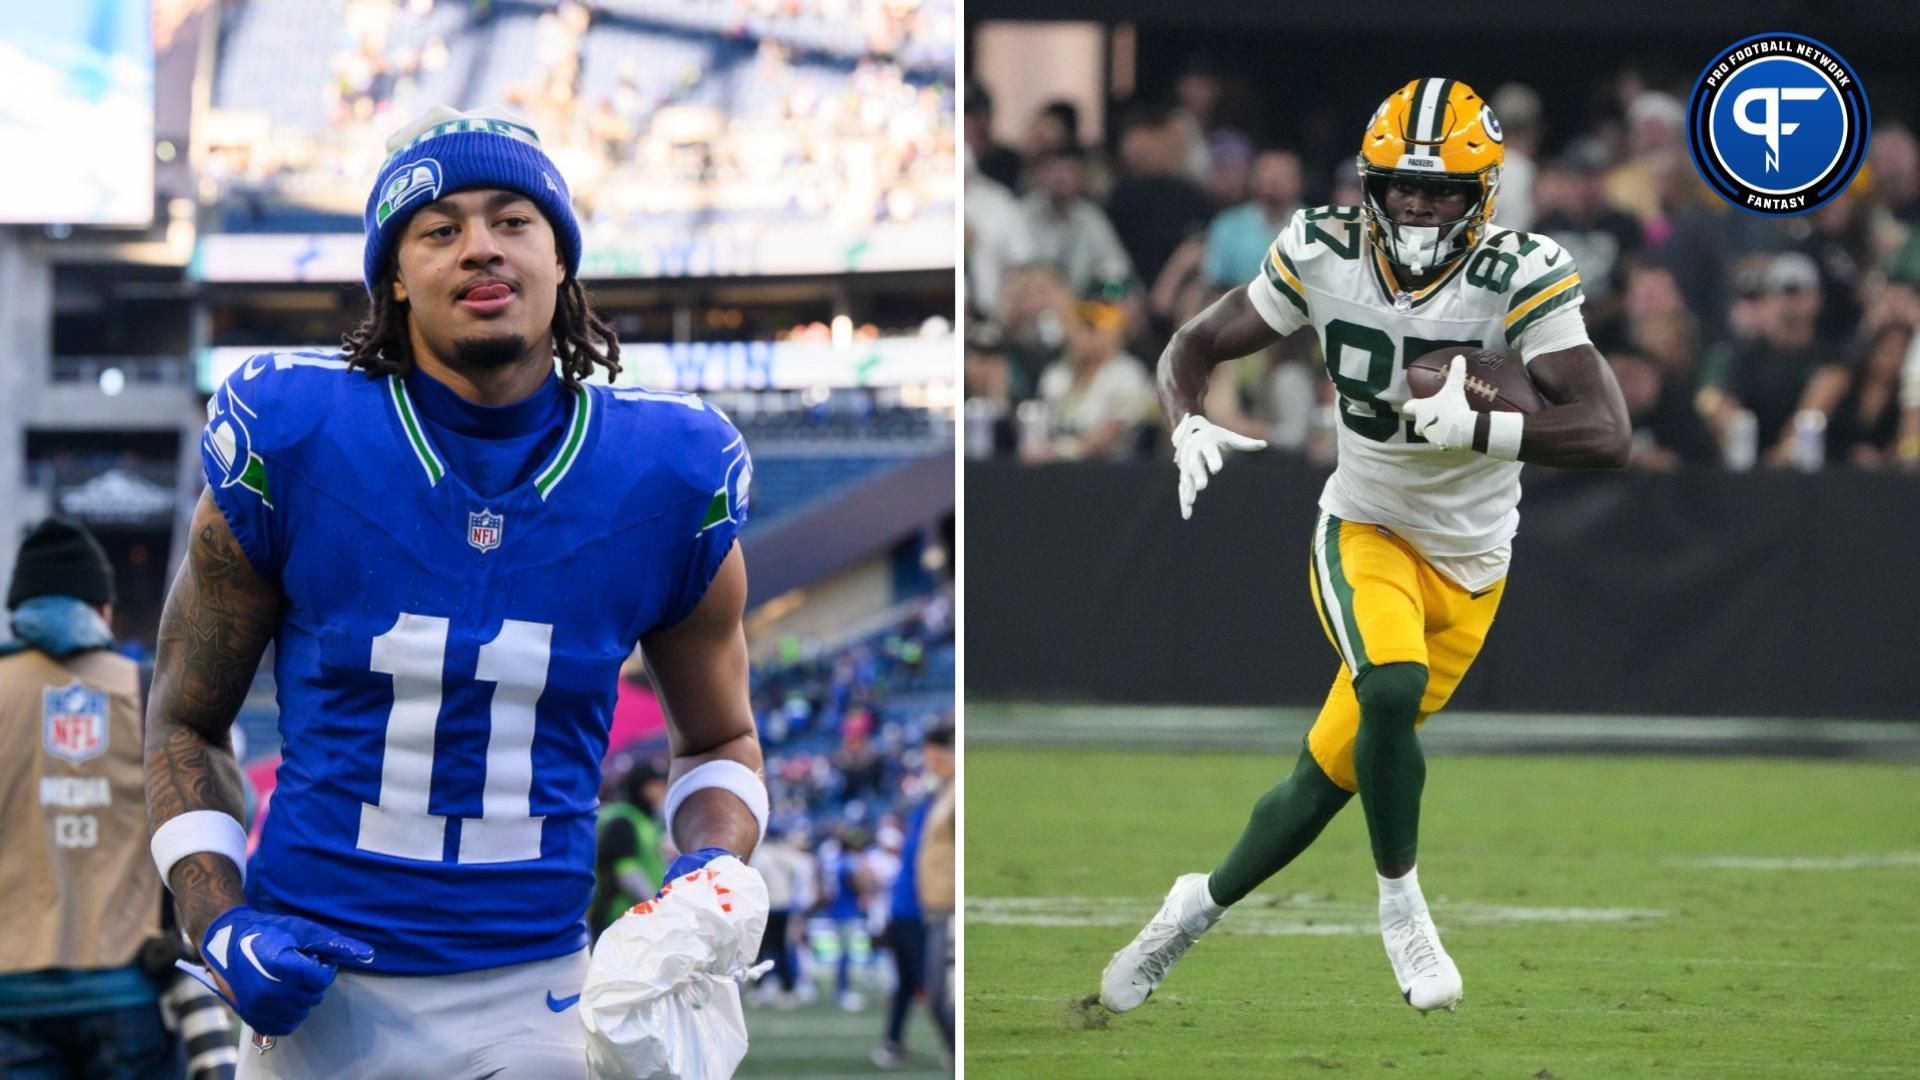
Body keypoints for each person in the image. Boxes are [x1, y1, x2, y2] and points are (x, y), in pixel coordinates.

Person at [143, 104, 768, 1077]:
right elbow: (185, 721)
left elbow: (722, 739)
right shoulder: (293, 440)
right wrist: (218, 922)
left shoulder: (668, 474)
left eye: (513, 220)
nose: (481, 247)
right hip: (319, 993)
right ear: (394, 276)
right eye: (440, 229)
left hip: (540, 994)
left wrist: (711, 863)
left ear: (559, 258)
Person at [1101, 79, 1629, 1016]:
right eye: (1403, 186)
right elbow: (1194, 342)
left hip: (1474, 565)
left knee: (1322, 781)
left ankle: (1191, 910)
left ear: (1482, 195)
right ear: (1371, 183)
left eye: (1443, 190)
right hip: (1366, 527)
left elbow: (1605, 430)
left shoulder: (1520, 270)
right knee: (1388, 683)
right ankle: (1403, 911)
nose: (1419, 206)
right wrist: (1185, 419)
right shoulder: (1322, 249)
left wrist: (1484, 429)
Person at [1, 519, 184, 1078]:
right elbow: (222, 812)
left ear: (20, 610)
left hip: (12, 997)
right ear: (103, 609)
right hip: (127, 988)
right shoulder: (149, 692)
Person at [588, 760, 668, 939]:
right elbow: (626, 872)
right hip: (621, 919)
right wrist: (657, 906)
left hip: (637, 918)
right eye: (658, 784)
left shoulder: (641, 819)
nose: (663, 790)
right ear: (645, 788)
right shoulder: (624, 821)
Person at [915, 723, 955, 1059]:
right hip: (937, 908)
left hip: (950, 909)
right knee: (938, 999)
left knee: (943, 1000)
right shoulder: (944, 792)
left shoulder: (955, 795)